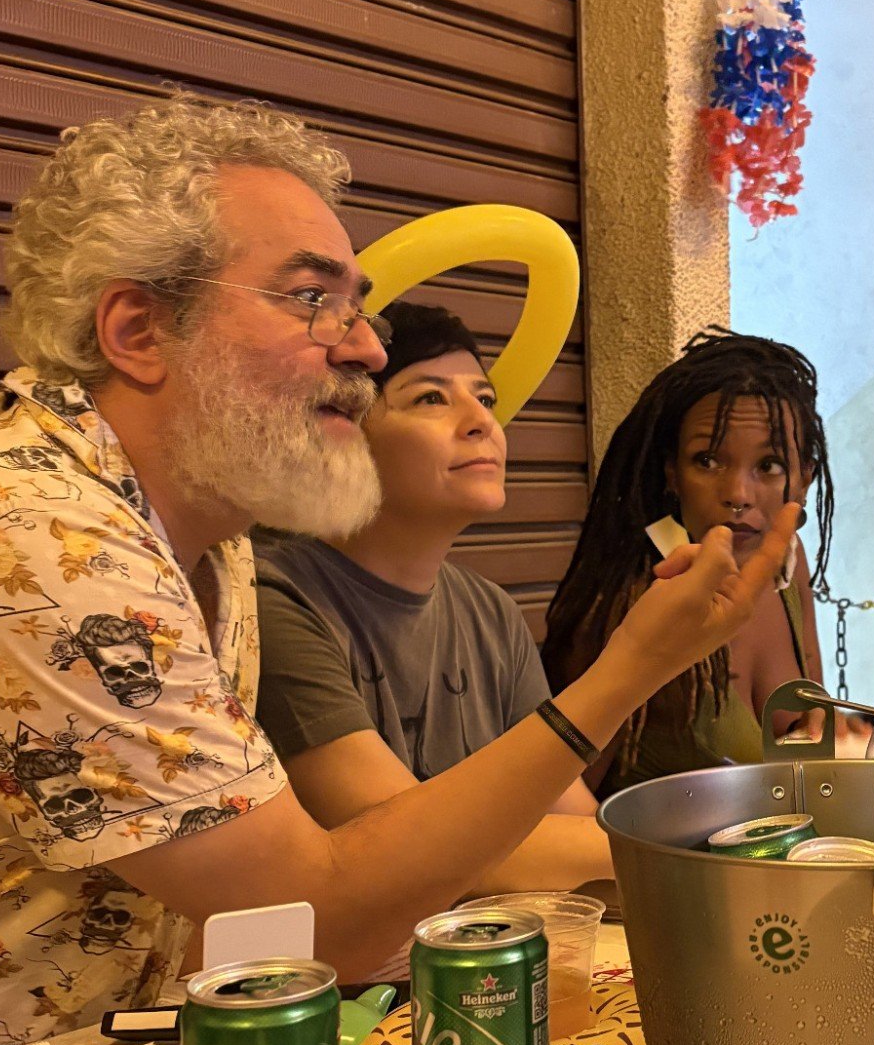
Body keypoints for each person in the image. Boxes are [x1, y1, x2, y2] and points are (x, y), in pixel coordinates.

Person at [0, 94, 795, 1041]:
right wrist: (631, 670)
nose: (365, 347)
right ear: (139, 332)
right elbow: (311, 918)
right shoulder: (40, 540)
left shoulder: (213, 538)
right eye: (311, 297)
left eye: (356, 305)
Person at [254, 301, 609, 894]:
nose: (481, 423)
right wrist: (643, 658)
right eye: (431, 398)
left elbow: (566, 812)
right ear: (341, 430)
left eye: (486, 400)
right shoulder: (276, 597)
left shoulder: (490, 611)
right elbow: (398, 849)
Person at [544, 330, 837, 797]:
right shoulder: (636, 599)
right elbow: (554, 801)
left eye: (769, 466)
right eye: (707, 460)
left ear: (804, 480)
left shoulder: (787, 569)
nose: (738, 495)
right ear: (671, 475)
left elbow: (818, 734)